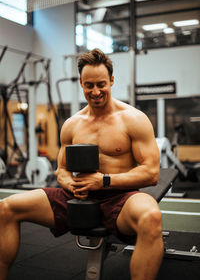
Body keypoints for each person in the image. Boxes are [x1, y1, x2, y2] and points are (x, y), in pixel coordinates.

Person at [0, 48, 163, 280]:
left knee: (151, 217)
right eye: (89, 85)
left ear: (111, 81)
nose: (95, 91)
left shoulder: (133, 119)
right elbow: (61, 169)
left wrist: (104, 180)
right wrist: (70, 183)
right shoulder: (72, 124)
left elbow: (151, 173)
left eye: (101, 84)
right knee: (6, 208)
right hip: (77, 197)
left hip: (119, 198)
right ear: (81, 83)